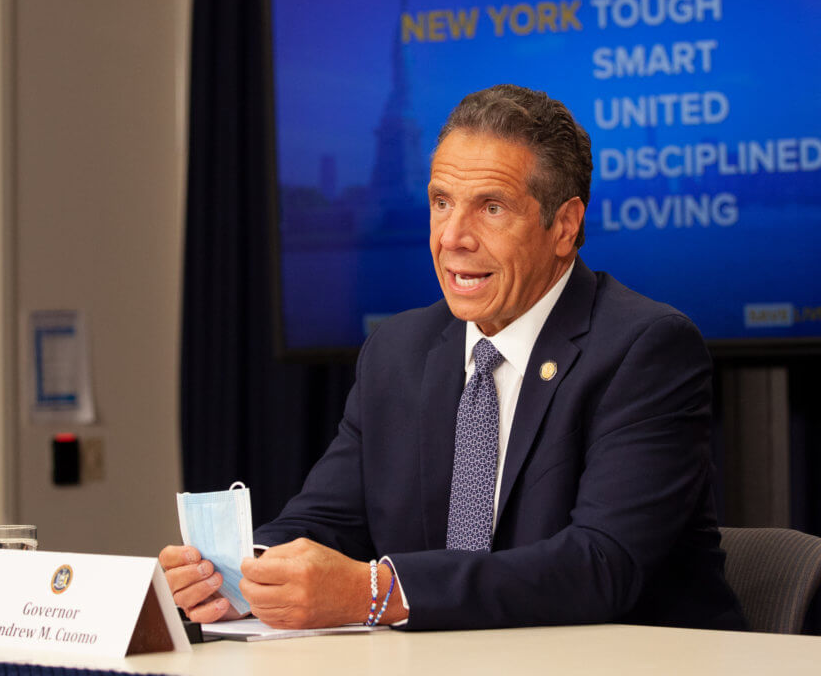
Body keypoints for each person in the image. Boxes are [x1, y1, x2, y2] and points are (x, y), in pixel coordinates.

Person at [160, 84, 744, 631]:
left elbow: (600, 566)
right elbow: (326, 519)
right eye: (442, 202)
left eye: (491, 208)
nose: (452, 238)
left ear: (564, 226)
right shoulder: (397, 351)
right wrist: (240, 576)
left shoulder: (644, 349)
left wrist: (379, 592)